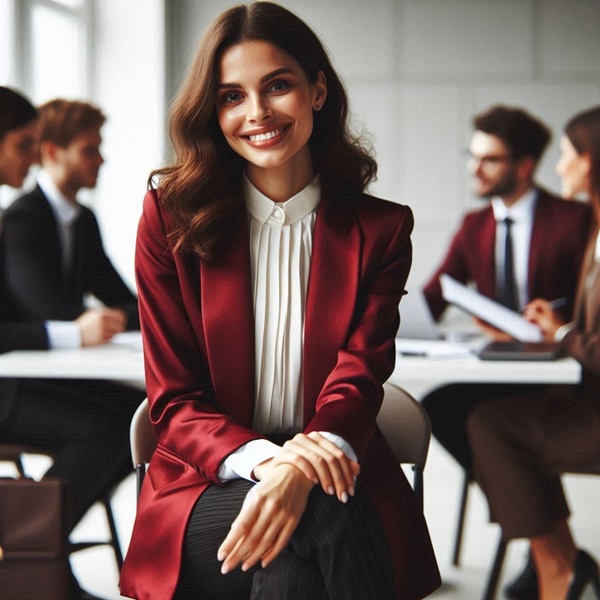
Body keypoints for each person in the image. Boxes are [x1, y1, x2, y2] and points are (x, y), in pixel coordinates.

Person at [119, 3, 440, 599]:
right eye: (231, 96)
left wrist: (303, 467)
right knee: (324, 513)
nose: (258, 113)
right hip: (207, 482)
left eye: (278, 86)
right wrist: (276, 465)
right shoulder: (169, 220)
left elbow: (358, 377)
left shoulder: (382, 230)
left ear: (318, 90)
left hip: (337, 466)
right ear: (212, 113)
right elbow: (174, 399)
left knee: (296, 563)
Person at [421, 105, 593, 600]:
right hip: (502, 367)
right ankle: (545, 541)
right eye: (471, 158)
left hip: (561, 372)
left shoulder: (574, 219)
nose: (474, 170)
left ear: (524, 165)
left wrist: (556, 329)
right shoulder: (474, 225)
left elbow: (589, 305)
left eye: (489, 160)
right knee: (441, 406)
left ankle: (542, 548)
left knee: (494, 430)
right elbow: (435, 296)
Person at [0, 87, 144, 600]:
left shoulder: (81, 222)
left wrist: (99, 318)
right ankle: (25, 551)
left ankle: (39, 551)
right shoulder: (21, 219)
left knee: (139, 416)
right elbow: (45, 311)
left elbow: (129, 304)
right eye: (90, 148)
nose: (101, 159)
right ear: (50, 152)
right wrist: (85, 323)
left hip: (39, 377)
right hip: (12, 387)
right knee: (108, 427)